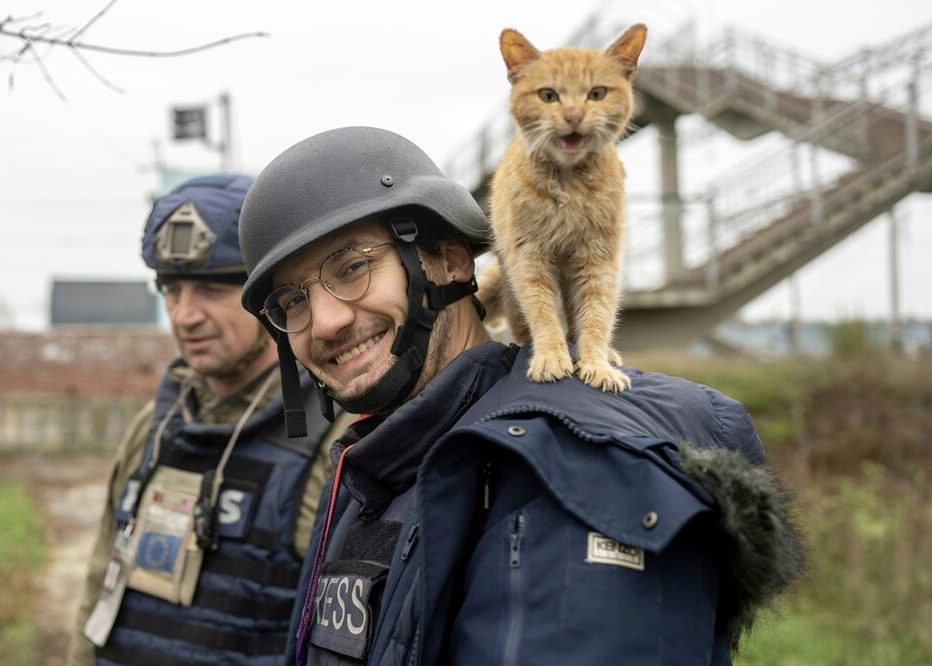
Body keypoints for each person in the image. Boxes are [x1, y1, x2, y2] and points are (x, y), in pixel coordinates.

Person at [236, 127, 803, 665]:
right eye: (292, 302)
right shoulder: (374, 471)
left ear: (453, 259)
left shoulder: (572, 471)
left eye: (354, 267)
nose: (326, 321)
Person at [69, 175, 352, 666]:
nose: (184, 315)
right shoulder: (153, 428)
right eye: (172, 290)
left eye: (212, 289)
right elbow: (99, 587)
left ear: (272, 294)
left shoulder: (338, 439)